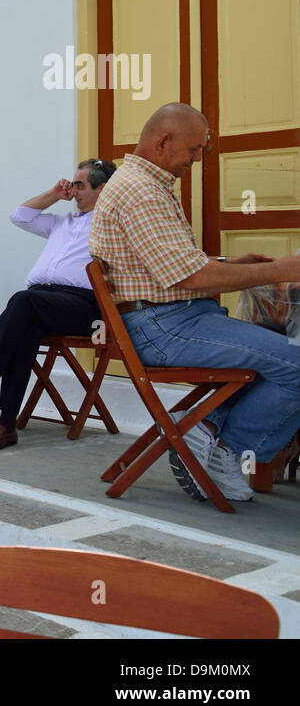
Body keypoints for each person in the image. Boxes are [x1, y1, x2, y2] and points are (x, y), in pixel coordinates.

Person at [90, 102, 300, 503]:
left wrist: (228, 264)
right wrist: (281, 270)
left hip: (171, 317)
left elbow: (171, 264)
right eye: (194, 149)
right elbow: (189, 277)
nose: (198, 159)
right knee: (295, 361)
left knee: (275, 356)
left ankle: (202, 430)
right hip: (165, 327)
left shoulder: (145, 184)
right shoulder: (140, 191)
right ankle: (228, 450)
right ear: (163, 142)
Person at [0, 159, 117, 448]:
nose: (73, 190)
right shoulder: (62, 222)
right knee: (25, 330)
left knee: (23, 301)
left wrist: (107, 200)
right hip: (44, 303)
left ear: (102, 189)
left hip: (84, 308)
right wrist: (54, 194)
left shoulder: (111, 223)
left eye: (80, 185)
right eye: (72, 184)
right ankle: (6, 425)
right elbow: (19, 216)